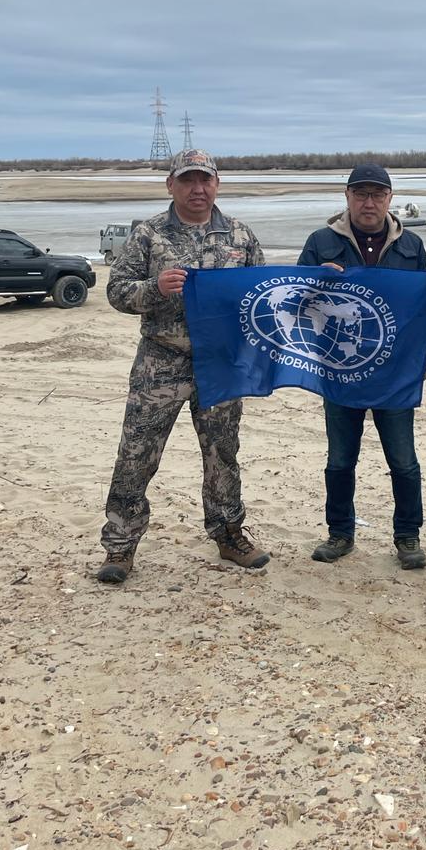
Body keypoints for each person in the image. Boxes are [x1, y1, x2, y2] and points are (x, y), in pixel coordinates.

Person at [97, 149, 270, 583]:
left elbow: (264, 296)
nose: (198, 189)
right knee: (136, 455)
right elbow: (117, 291)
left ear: (217, 184)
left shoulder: (240, 236)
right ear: (171, 185)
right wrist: (155, 289)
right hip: (161, 361)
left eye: (205, 180)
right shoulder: (148, 236)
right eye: (189, 181)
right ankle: (120, 547)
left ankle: (230, 535)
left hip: (221, 366)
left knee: (222, 455)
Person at [298, 163, 426, 570]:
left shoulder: (411, 246)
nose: (369, 202)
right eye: (361, 194)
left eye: (377, 194)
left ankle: (408, 535)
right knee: (340, 459)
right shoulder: (321, 242)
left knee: (403, 460)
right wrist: (313, 280)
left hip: (395, 373)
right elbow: (295, 302)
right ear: (347, 197)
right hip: (340, 370)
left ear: (389, 199)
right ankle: (340, 533)